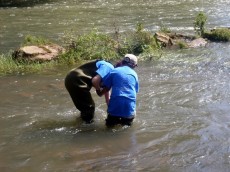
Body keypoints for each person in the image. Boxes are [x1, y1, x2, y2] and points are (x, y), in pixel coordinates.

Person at [102, 54, 139, 127]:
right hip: (129, 107)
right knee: (127, 127)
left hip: (115, 104)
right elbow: (135, 91)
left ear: (122, 62)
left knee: (109, 128)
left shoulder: (114, 71)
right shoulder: (135, 74)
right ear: (134, 65)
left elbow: (105, 87)